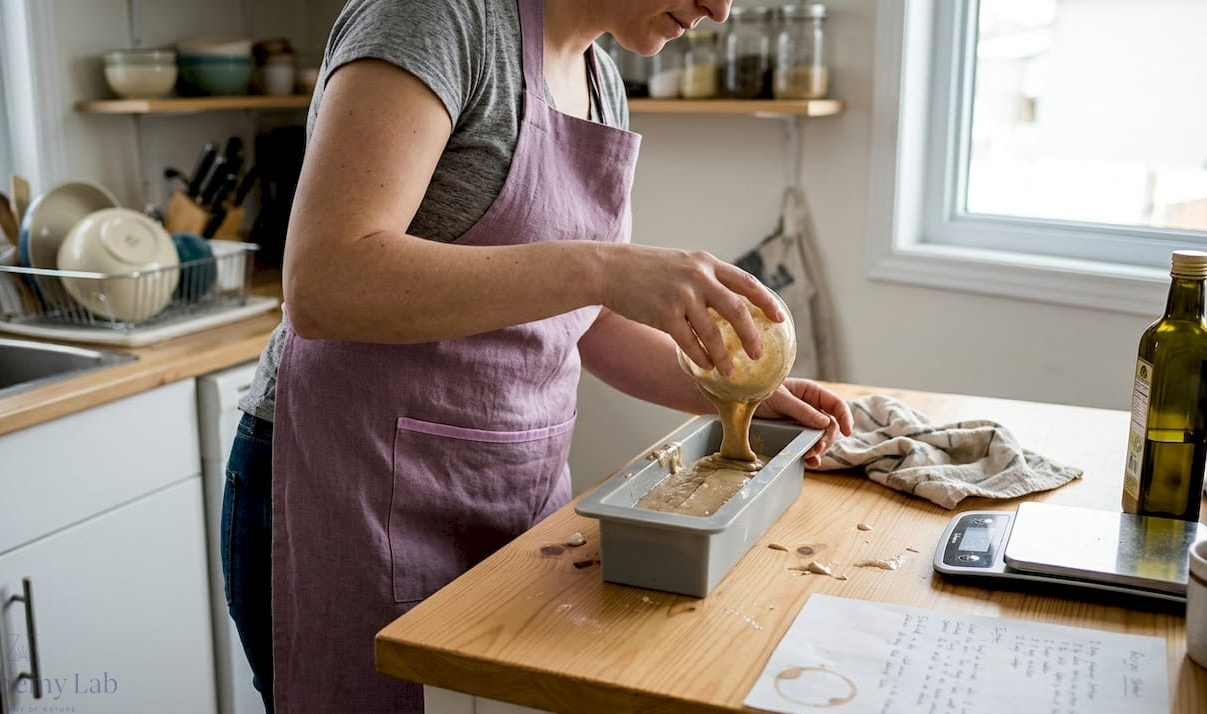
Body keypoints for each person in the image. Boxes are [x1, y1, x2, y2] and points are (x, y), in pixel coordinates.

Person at [222, 0, 854, 712]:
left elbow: (589, 319)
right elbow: (325, 282)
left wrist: (736, 393)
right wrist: (600, 268)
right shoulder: (438, 19)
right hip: (349, 492)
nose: (721, 8)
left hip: (512, 501)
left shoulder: (600, 80)